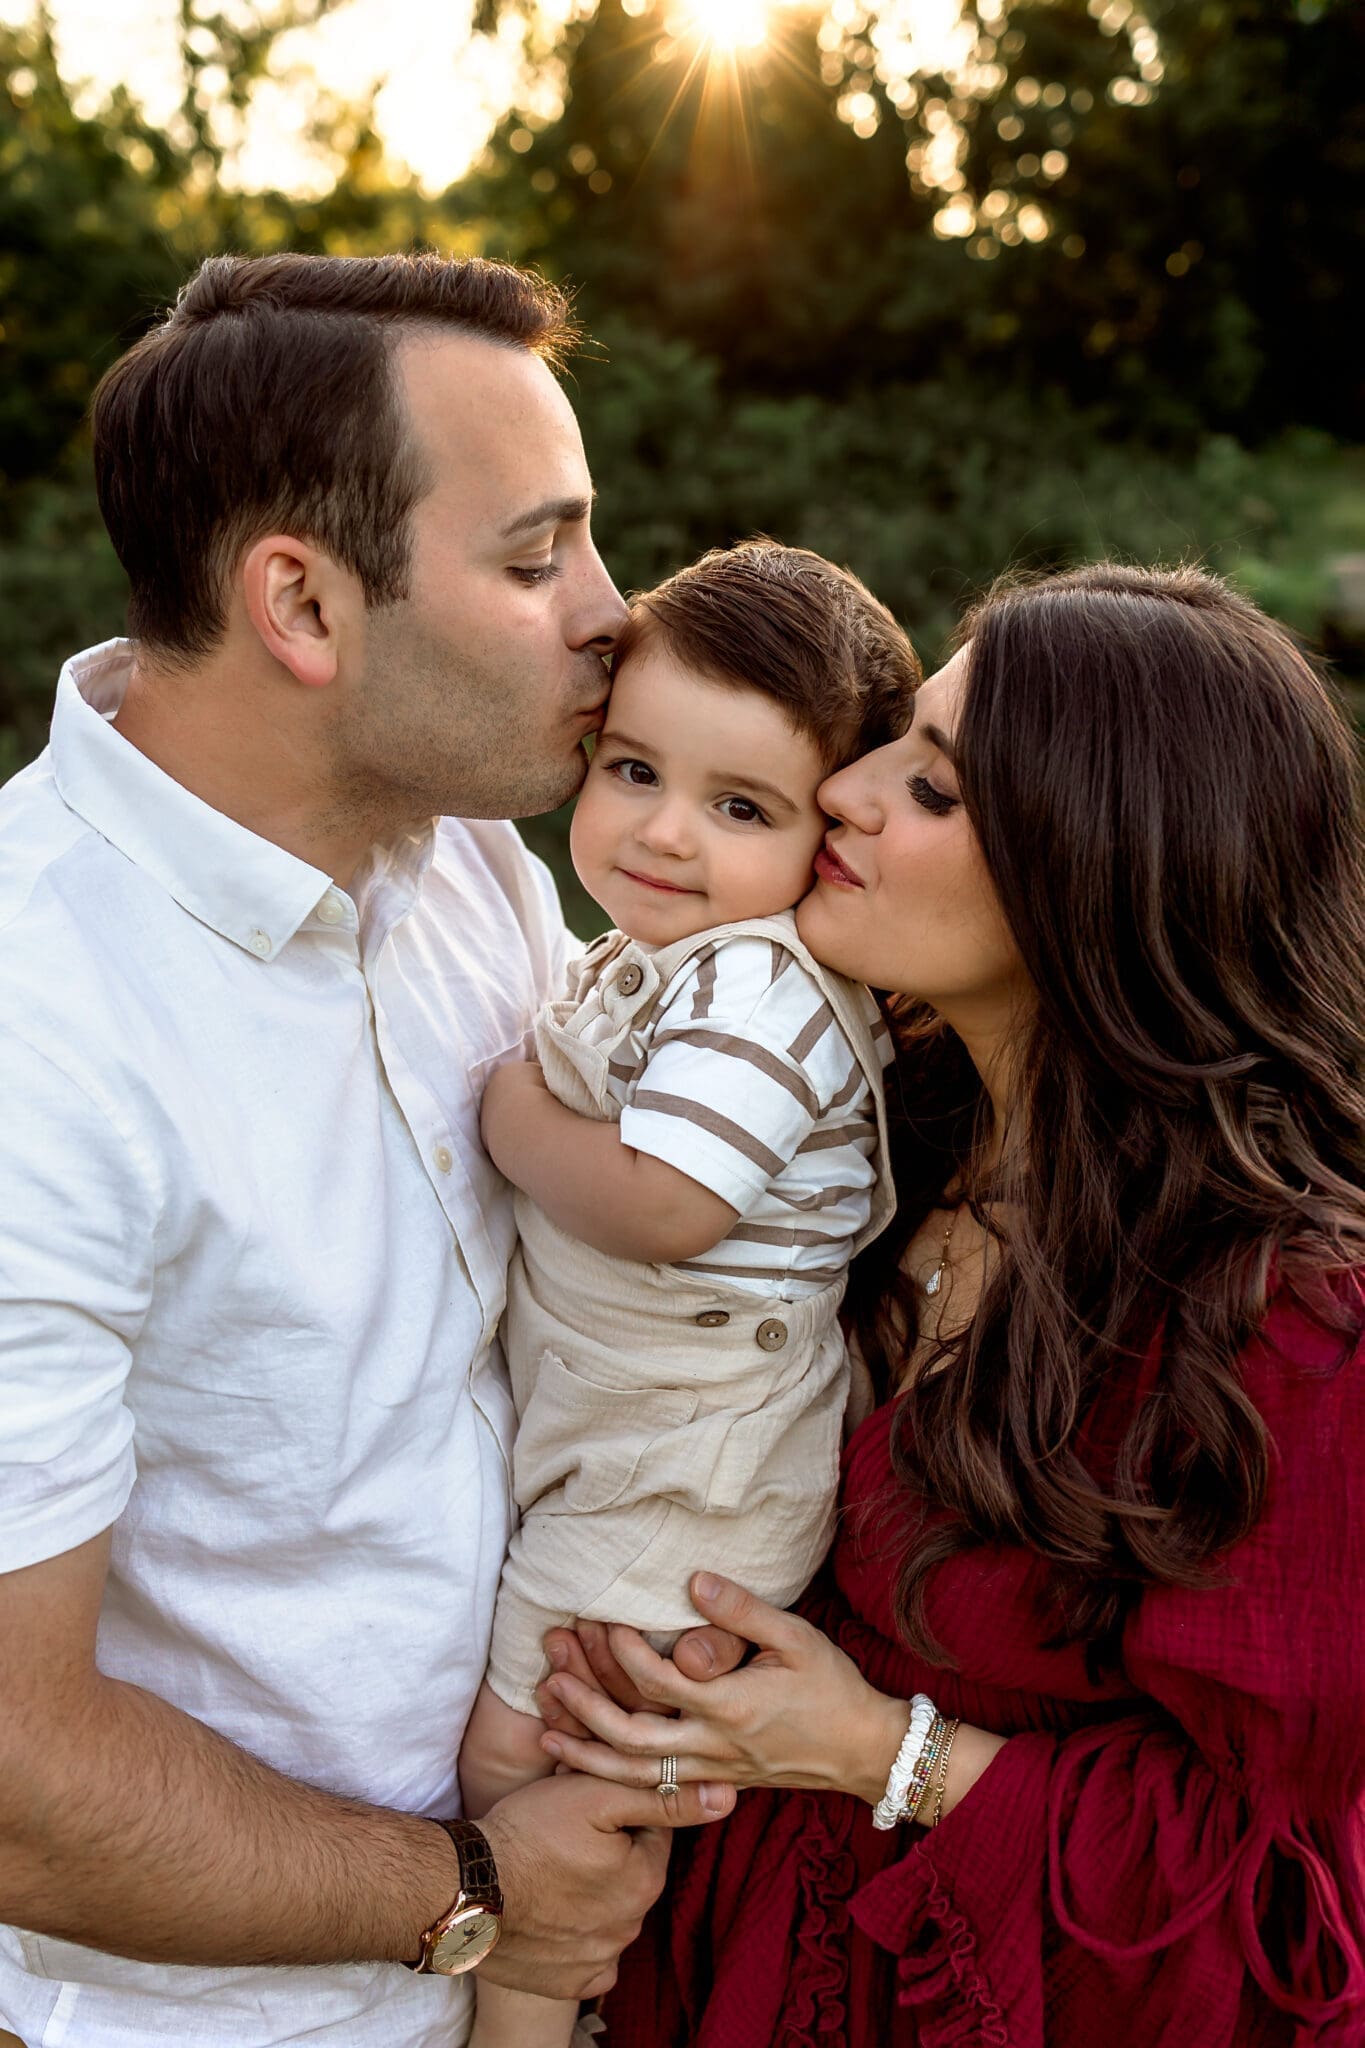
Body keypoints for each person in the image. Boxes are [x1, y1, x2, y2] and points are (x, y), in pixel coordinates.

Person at [0, 251, 737, 2048]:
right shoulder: (36, 1029)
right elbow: (9, 1765)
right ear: (302, 605)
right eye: (533, 554)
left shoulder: (466, 862)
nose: (610, 617)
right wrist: (476, 1894)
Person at [529, 564, 1365, 2045]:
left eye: (931, 787)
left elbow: (1280, 1892)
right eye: (887, 743)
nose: (841, 792)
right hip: (723, 1969)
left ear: (1092, 865)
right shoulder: (870, 1137)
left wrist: (877, 1750)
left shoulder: (1287, 1321)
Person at [459, 541, 917, 2048]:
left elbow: (666, 1205)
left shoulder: (760, 992)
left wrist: (511, 1119)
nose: (662, 834)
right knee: (569, 1765)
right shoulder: (663, 958)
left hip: (686, 1474)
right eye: (633, 769)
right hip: (638, 1444)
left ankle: (535, 2015)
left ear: (826, 837)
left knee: (521, 1770)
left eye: (739, 809)